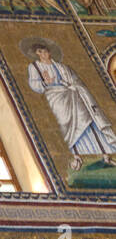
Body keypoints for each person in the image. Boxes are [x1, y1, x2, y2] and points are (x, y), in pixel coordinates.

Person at [26, 42, 116, 171]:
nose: (43, 54)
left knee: (89, 121)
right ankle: (77, 157)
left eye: (45, 51)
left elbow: (76, 81)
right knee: (68, 128)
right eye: (40, 52)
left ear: (49, 52)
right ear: (36, 54)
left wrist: (72, 85)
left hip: (75, 97)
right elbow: (34, 84)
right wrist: (46, 83)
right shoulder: (34, 67)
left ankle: (106, 156)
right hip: (57, 100)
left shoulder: (62, 67)